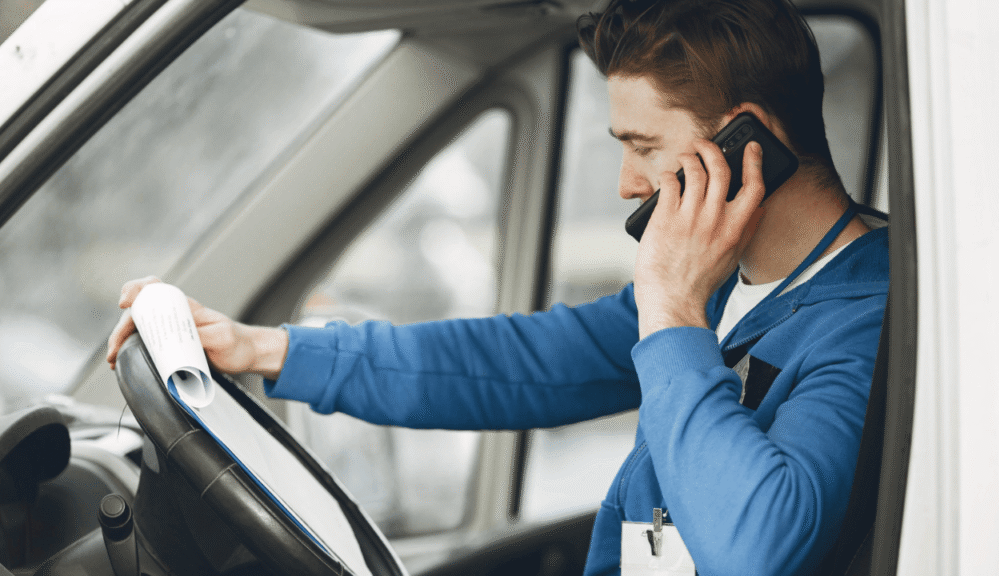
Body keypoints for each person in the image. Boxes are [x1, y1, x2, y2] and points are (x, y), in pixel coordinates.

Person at [107, 0, 889, 574]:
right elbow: (523, 361)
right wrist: (267, 350)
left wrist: (672, 311)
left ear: (746, 144)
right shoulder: (720, 289)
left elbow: (759, 548)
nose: (626, 184)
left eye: (644, 146)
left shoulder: (870, 320)